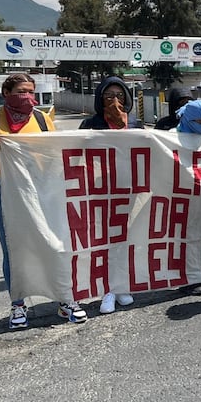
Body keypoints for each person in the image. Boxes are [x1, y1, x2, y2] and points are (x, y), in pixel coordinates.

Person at [0, 73, 87, 328]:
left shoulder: (42, 120)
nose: (28, 97)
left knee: (53, 243)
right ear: (7, 93)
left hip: (40, 189)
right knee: (13, 249)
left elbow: (56, 153)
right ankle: (18, 304)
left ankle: (64, 299)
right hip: (2, 190)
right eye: (22, 91)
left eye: (31, 91)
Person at [78, 76, 142, 313]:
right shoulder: (90, 124)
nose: (115, 100)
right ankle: (107, 289)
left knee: (125, 238)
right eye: (109, 96)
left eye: (119, 96)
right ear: (100, 99)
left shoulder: (134, 123)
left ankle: (120, 285)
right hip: (100, 191)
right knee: (104, 240)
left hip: (128, 189)